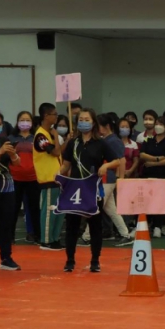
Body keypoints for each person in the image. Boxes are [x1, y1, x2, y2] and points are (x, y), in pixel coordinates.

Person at [59, 108, 122, 273]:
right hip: (74, 188)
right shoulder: (73, 143)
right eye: (81, 119)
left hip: (94, 188)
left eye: (87, 119)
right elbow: (66, 164)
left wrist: (106, 165)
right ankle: (70, 259)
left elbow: (117, 161)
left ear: (93, 123)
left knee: (95, 225)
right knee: (72, 225)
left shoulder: (101, 143)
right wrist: (59, 175)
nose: (83, 122)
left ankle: (95, 260)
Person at [0, 108, 21, 272]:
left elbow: (16, 163)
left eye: (0, 124)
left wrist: (13, 154)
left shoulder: (3, 140)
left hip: (7, 188)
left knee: (6, 225)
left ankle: (6, 258)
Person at [93, 114, 134, 245]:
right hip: (104, 179)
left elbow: (121, 160)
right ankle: (125, 234)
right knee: (111, 210)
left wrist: (120, 179)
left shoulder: (113, 141)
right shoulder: (105, 140)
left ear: (106, 126)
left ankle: (87, 236)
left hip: (108, 179)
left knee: (95, 207)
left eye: (98, 125)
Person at [33, 103, 66, 251]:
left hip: (58, 178)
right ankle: (46, 240)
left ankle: (55, 238)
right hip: (47, 178)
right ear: (46, 116)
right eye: (54, 114)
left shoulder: (49, 134)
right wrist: (55, 136)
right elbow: (55, 153)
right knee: (48, 211)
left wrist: (67, 141)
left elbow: (59, 152)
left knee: (58, 211)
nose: (56, 116)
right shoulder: (41, 135)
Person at [139, 115, 165, 238]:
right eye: (157, 123)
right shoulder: (148, 140)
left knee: (160, 202)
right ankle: (146, 224)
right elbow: (142, 155)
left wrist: (154, 162)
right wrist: (159, 158)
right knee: (147, 200)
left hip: (163, 176)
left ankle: (158, 226)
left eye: (161, 124)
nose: (158, 126)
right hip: (147, 174)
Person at [9, 110, 41, 244]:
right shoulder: (11, 139)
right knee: (13, 209)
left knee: (34, 208)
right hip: (15, 178)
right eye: (22, 119)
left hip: (33, 178)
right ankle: (9, 236)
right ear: (17, 122)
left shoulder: (37, 138)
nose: (25, 122)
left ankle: (36, 235)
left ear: (32, 122)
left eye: (28, 120)